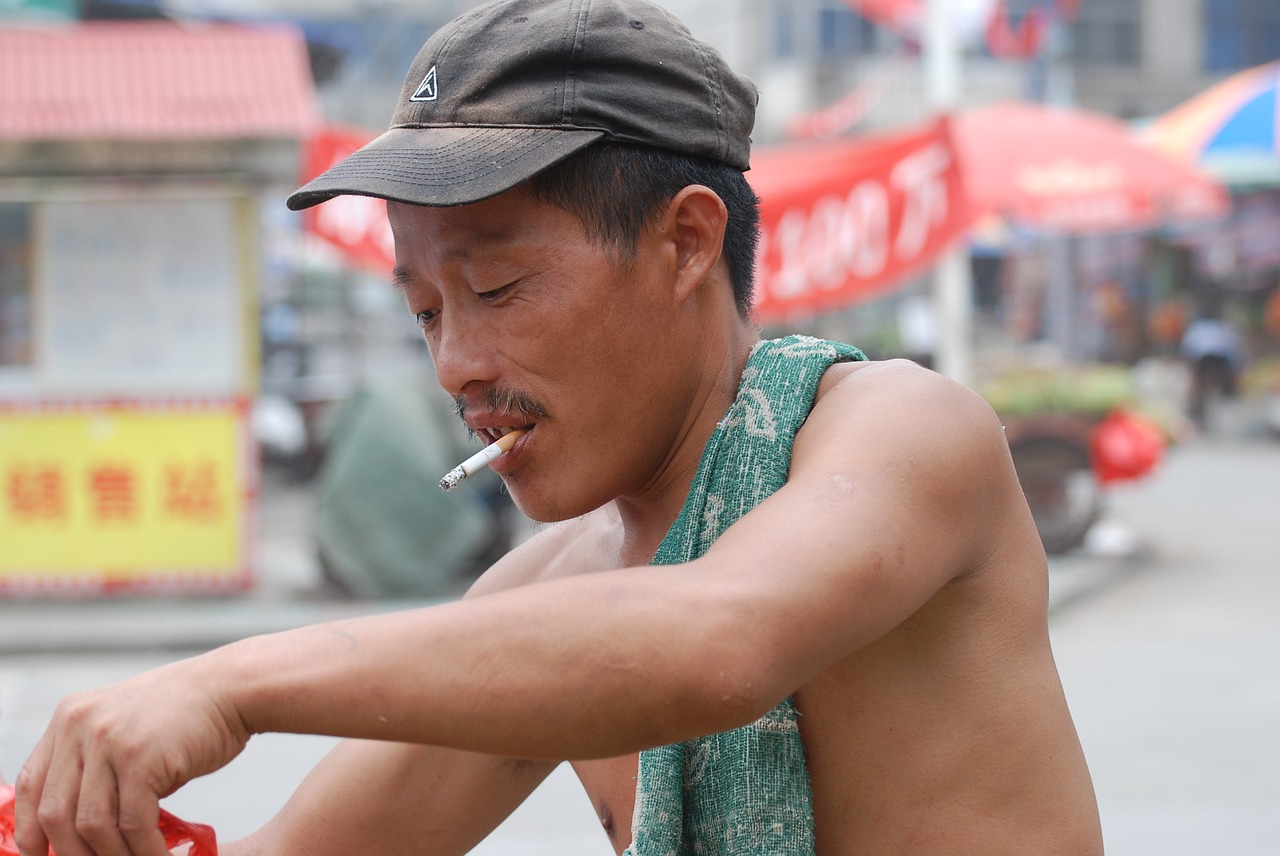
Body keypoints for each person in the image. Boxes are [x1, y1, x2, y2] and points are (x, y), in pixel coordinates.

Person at [13, 1, 1103, 854]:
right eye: (425, 310)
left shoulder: (904, 431)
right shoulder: (552, 602)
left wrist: (225, 681)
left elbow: (713, 642)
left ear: (683, 242)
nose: (456, 366)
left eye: (496, 287)